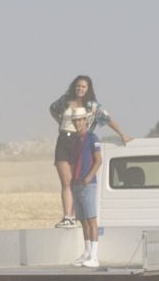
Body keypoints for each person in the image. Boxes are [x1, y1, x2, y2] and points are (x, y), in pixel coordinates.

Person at [49, 75, 129, 227]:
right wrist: (60, 121)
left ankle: (76, 215)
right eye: (78, 86)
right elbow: (53, 109)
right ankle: (68, 216)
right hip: (63, 140)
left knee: (74, 181)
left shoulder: (93, 106)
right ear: (74, 86)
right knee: (65, 181)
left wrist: (121, 134)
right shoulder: (65, 100)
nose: (80, 89)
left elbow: (108, 119)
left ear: (88, 89)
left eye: (83, 87)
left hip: (79, 141)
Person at [70, 111, 104, 268]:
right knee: (83, 220)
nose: (77, 124)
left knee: (91, 219)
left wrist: (89, 177)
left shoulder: (92, 138)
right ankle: (87, 251)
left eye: (80, 121)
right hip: (76, 183)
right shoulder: (75, 140)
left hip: (87, 184)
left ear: (85, 121)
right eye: (75, 121)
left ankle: (94, 256)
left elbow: (98, 160)